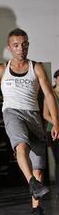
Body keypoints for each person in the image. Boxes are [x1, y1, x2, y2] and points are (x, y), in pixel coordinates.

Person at [0, 28, 59, 215]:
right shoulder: (1, 69)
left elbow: (49, 95)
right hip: (12, 112)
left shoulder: (36, 68)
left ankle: (36, 210)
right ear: (9, 47)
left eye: (25, 44)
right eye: (16, 45)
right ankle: (32, 183)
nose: (21, 49)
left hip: (34, 117)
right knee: (21, 146)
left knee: (38, 168)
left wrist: (55, 122)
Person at [43, 69, 59, 198]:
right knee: (58, 161)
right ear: (55, 79)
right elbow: (45, 114)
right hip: (53, 131)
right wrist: (56, 123)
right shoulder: (50, 94)